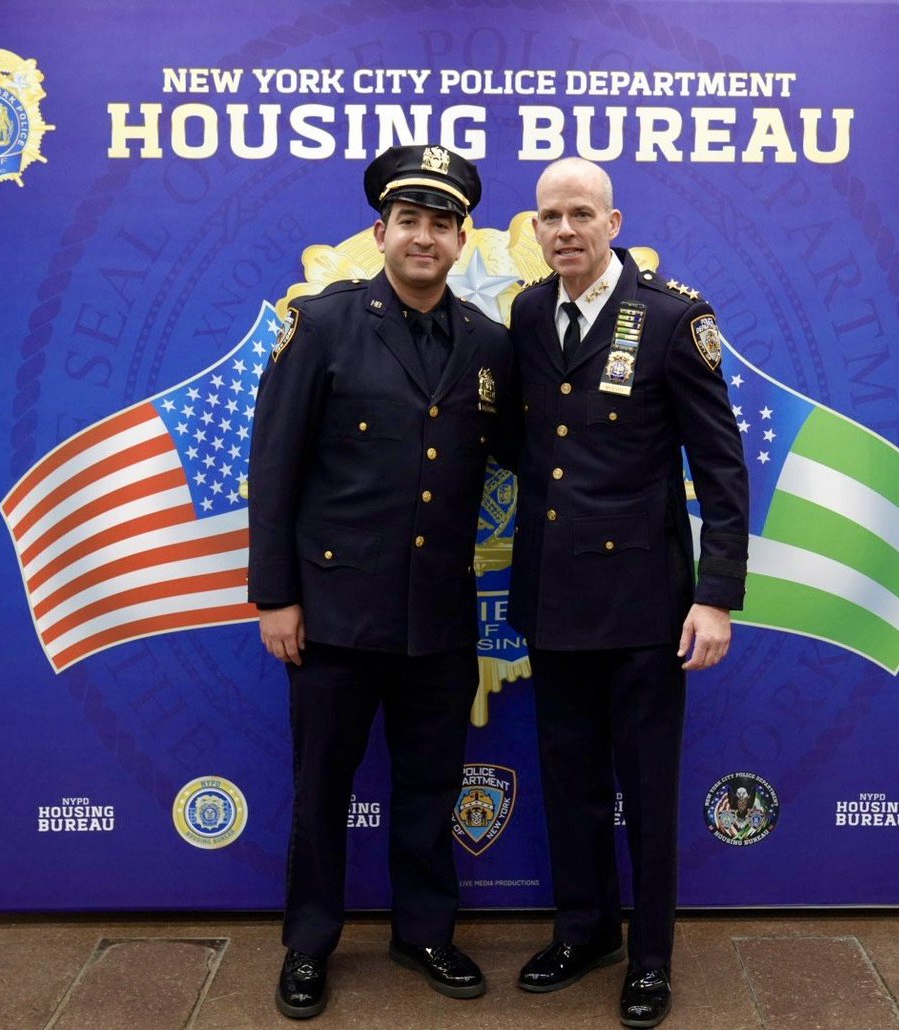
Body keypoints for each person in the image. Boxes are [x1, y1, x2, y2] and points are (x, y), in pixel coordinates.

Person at [247, 144, 512, 1020]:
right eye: (410, 221)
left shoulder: (488, 343)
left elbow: (527, 450)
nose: (425, 237)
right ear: (381, 231)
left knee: (432, 783)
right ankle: (310, 944)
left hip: (437, 614)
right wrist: (276, 596)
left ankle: (425, 932)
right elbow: (275, 467)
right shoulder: (321, 324)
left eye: (443, 223)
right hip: (331, 613)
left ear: (463, 238)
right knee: (322, 786)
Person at [508, 157, 749, 1029]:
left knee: (646, 790)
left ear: (614, 222)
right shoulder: (530, 312)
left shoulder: (676, 320)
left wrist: (716, 594)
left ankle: (650, 958)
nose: (563, 229)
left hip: (648, 605)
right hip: (552, 595)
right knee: (568, 778)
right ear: (533, 229)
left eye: (580, 213)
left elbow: (721, 469)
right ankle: (586, 932)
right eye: (548, 216)